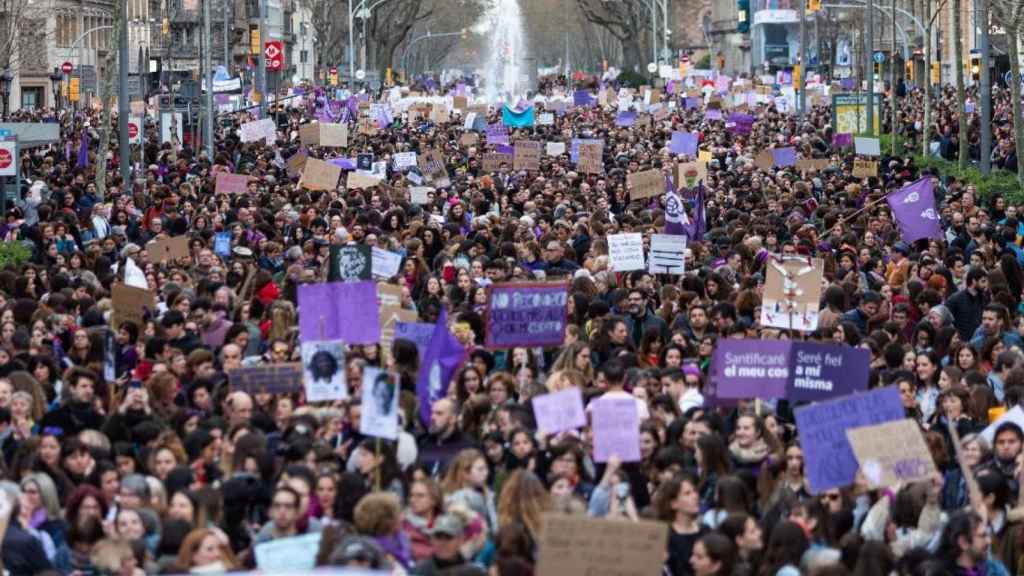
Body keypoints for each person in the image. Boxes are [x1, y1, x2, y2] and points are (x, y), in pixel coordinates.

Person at [410, 514, 486, 576]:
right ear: (432, 539)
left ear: (461, 540)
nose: (442, 543)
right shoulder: (419, 570)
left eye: (448, 537)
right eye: (438, 537)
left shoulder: (474, 572)